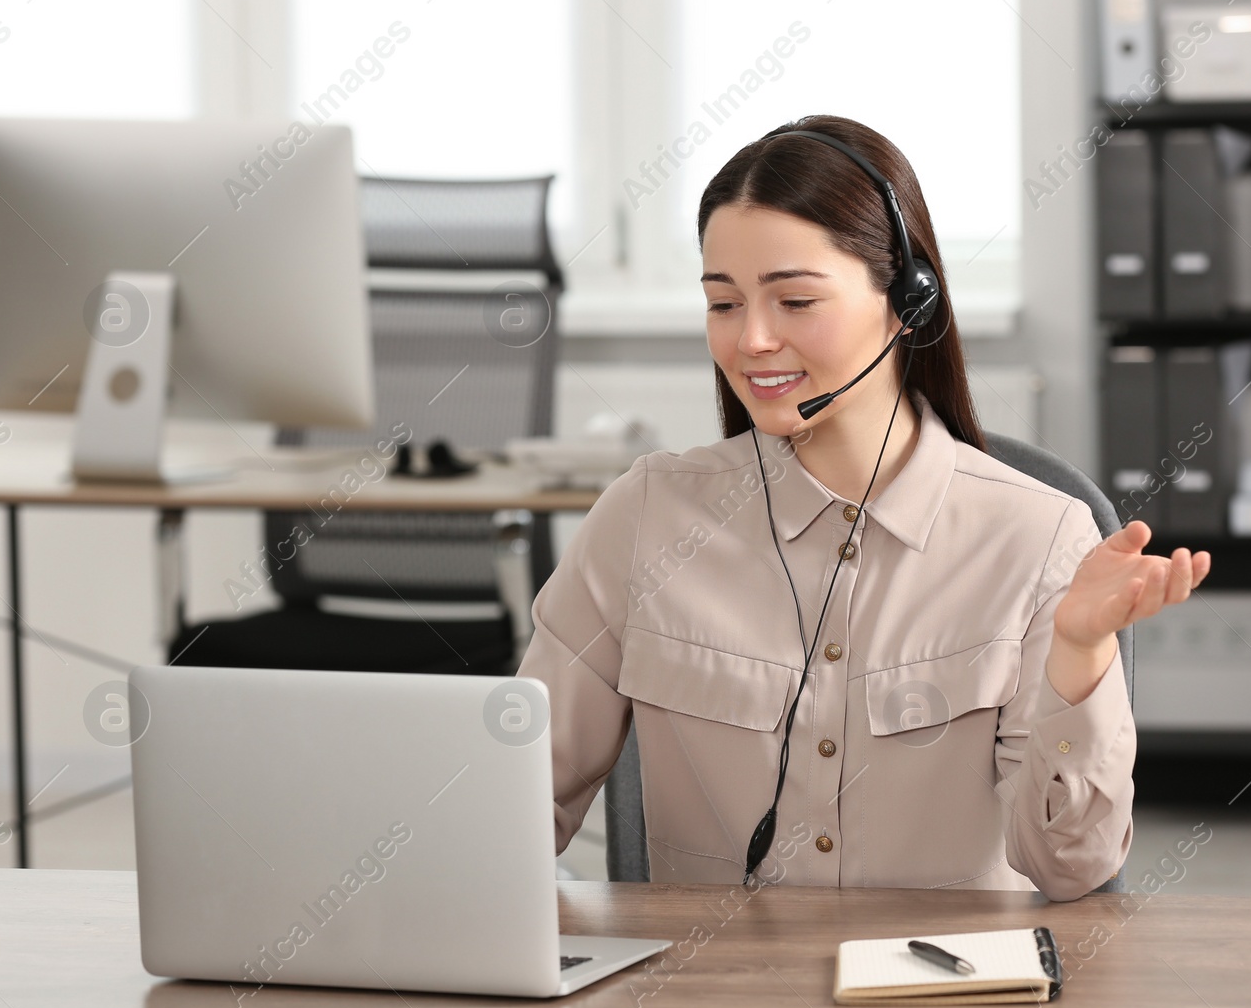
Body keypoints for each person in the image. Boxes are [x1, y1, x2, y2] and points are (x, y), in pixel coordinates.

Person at [515, 114, 1209, 900]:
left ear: (906, 301)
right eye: (724, 304)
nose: (752, 340)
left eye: (795, 301)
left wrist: (1079, 653)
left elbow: (1071, 868)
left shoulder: (1038, 537)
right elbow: (516, 806)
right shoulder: (645, 520)